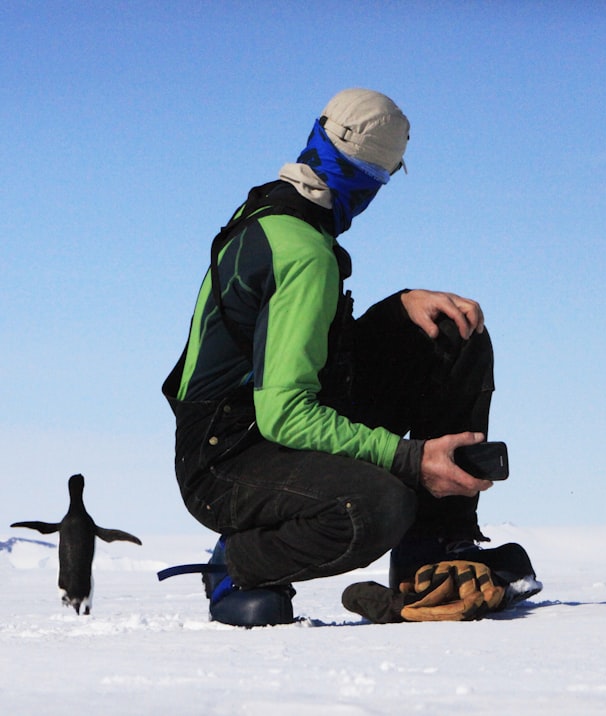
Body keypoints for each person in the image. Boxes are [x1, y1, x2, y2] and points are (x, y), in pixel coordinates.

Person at [161, 89, 539, 626]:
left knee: (449, 332)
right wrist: (411, 458)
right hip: (227, 463)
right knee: (376, 507)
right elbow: (285, 412)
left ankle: (432, 551)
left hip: (243, 426)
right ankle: (238, 563)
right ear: (376, 179)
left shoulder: (272, 210)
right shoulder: (305, 254)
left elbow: (291, 355)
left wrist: (398, 310)